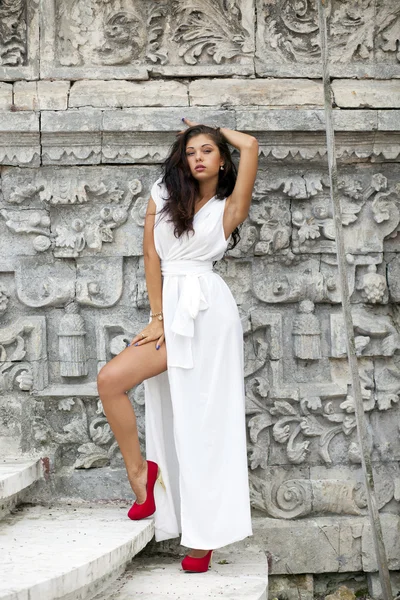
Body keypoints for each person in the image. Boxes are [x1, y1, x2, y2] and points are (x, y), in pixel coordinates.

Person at [97, 117, 259, 573]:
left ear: (222, 159)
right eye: (191, 152)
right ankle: (142, 477)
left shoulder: (229, 208)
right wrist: (157, 317)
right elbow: (151, 254)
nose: (199, 158)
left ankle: (204, 536)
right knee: (111, 381)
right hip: (172, 310)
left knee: (205, 421)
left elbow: (252, 146)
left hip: (210, 314)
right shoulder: (163, 195)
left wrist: (220, 132)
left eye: (207, 150)